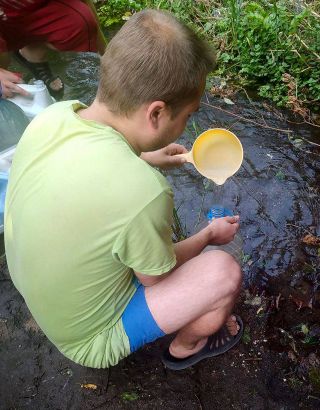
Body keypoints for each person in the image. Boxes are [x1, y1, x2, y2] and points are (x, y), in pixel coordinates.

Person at [5, 9, 244, 370]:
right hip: (86, 337)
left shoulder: (55, 117)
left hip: (38, 293)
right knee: (223, 273)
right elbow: (156, 276)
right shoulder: (144, 193)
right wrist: (209, 234)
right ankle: (186, 347)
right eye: (188, 115)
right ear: (157, 113)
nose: (187, 123)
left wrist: (147, 155)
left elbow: (89, 160)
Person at [0, 0, 107, 99]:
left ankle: (32, 51)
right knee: (3, 61)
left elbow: (85, 6)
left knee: (81, 20)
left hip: (36, 8)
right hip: (4, 17)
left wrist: (108, 56)